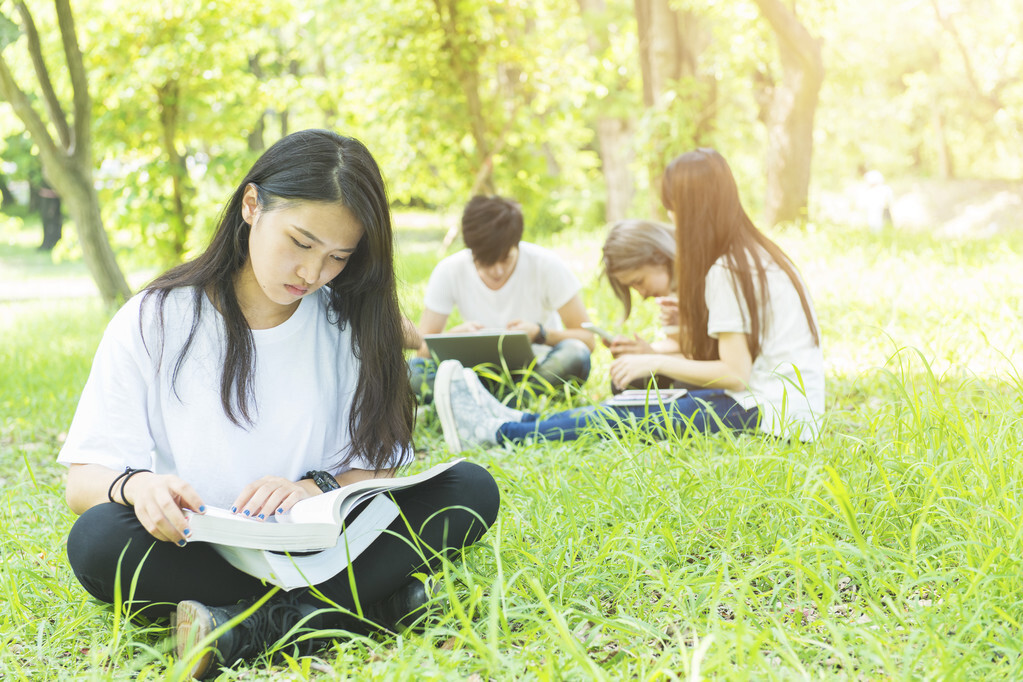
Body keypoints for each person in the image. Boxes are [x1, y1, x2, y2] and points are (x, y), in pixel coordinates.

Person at [57, 130, 500, 680]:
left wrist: (315, 487)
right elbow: (84, 480)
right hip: (202, 548)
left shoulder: (350, 323)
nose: (312, 274)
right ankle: (374, 608)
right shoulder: (155, 317)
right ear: (251, 206)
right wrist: (140, 487)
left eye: (338, 256)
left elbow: (384, 464)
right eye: (300, 242)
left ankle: (249, 628)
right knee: (98, 540)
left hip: (324, 548)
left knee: (470, 490)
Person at [432, 148, 825, 451]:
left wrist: (654, 358)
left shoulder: (728, 269)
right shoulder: (755, 254)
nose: (673, 224)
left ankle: (502, 431)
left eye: (676, 212)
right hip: (775, 407)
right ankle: (518, 417)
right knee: (634, 404)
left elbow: (735, 373)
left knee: (625, 415)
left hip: (765, 413)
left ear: (695, 211)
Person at [409, 195, 594, 401]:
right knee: (413, 371)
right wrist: (453, 335)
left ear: (517, 244)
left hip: (536, 373)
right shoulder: (449, 271)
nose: (497, 271)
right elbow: (421, 352)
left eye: (506, 259)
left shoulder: (547, 265)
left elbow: (587, 341)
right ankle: (512, 405)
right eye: (486, 263)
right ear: (471, 251)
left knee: (576, 354)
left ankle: (484, 406)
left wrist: (539, 333)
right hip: (475, 376)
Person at [600, 219, 684, 390]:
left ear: (659, 256)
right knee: (627, 381)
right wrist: (644, 351)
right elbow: (681, 347)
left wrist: (653, 358)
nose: (642, 294)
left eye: (639, 281)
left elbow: (712, 358)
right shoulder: (671, 291)